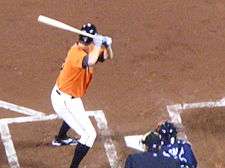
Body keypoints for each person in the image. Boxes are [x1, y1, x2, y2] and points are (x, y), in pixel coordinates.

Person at [50, 23, 113, 168]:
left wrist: (108, 45)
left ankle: (60, 138)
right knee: (89, 135)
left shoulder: (90, 48)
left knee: (76, 113)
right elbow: (90, 60)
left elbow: (108, 56)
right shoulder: (75, 52)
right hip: (62, 100)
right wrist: (98, 43)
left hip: (72, 98)